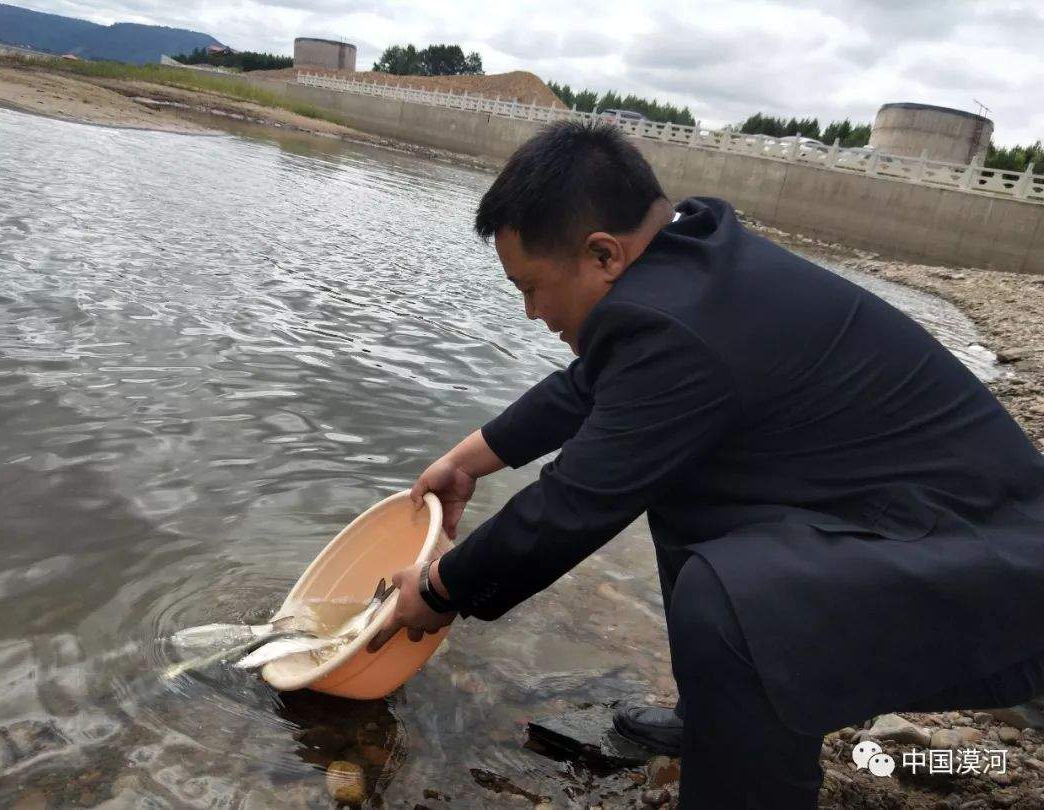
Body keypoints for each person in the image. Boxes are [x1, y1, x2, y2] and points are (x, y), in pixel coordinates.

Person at [367, 120, 1044, 808]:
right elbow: (597, 383)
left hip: (996, 578)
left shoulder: (676, 322)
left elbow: (574, 504)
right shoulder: (686, 270)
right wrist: (470, 460)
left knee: (733, 604)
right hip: (933, 534)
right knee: (690, 486)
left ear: (603, 255)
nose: (531, 312)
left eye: (532, 287)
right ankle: (714, 715)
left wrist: (442, 587)